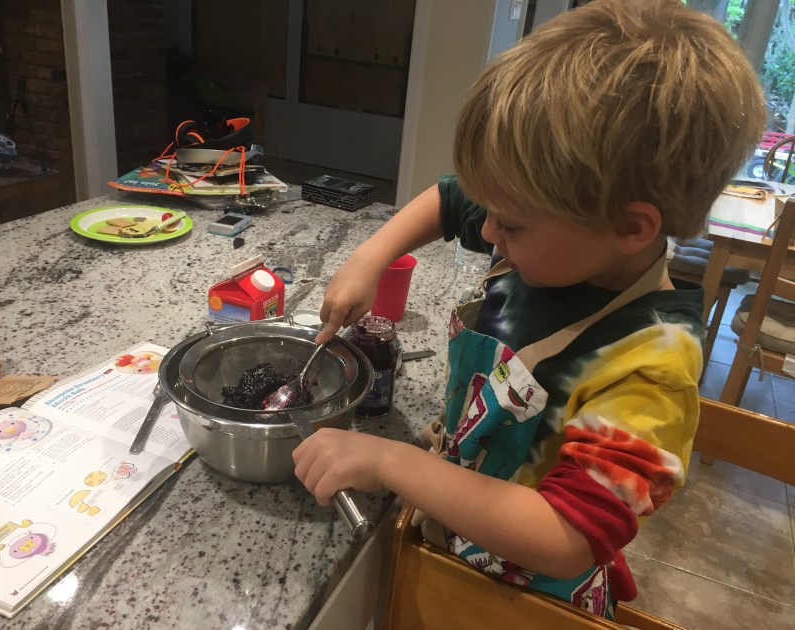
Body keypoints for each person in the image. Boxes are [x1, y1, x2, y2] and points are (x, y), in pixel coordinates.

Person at [293, 0, 764, 618]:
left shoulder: (651, 370)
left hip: (517, 603)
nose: (488, 231)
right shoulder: (563, 236)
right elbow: (448, 200)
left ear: (630, 226)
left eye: (510, 223)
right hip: (454, 543)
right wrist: (370, 257)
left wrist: (391, 459)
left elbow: (565, 538)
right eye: (491, 211)